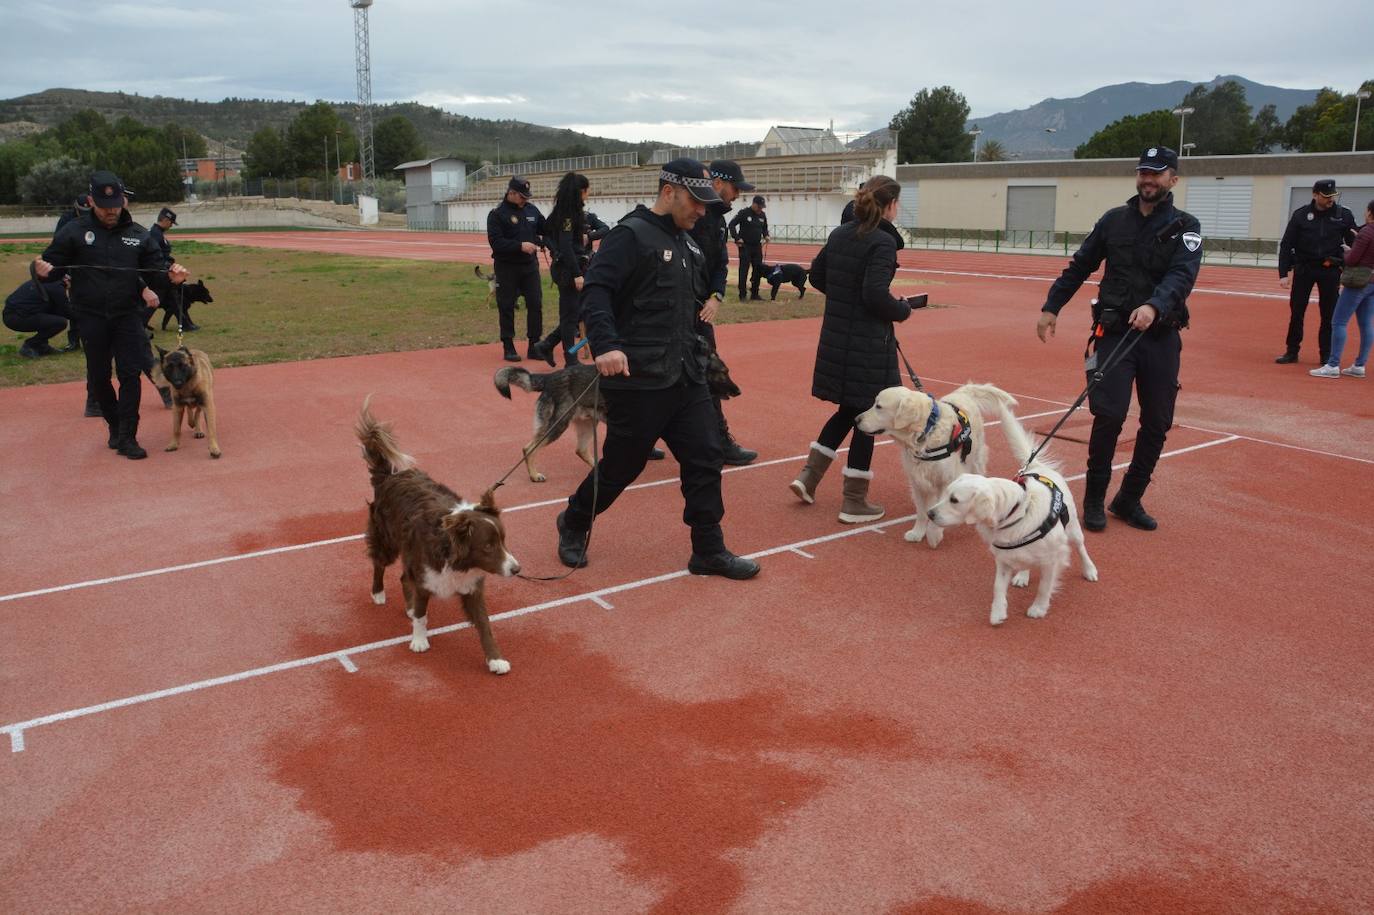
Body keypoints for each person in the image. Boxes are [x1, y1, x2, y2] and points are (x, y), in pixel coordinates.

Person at [554, 158, 759, 580]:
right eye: (695, 202)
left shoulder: (689, 243)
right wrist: (606, 345)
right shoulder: (630, 235)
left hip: (686, 375)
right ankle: (574, 520)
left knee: (705, 458)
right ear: (669, 192)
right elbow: (597, 292)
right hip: (639, 380)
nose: (702, 211)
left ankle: (708, 549)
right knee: (619, 469)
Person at [1035, 146, 1201, 532]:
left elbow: (1182, 276)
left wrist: (1155, 306)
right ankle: (1093, 499)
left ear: (1172, 179)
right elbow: (1080, 265)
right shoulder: (1114, 221)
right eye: (1143, 171)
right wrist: (1051, 306)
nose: (1148, 179)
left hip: (1159, 336)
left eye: (1157, 173)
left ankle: (1129, 499)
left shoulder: (1186, 227)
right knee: (1108, 415)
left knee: (1158, 421)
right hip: (1113, 334)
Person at [34, 170, 188, 459]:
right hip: (90, 316)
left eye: (116, 205)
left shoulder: (138, 235)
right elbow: (50, 265)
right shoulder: (73, 232)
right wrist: (41, 272)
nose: (111, 211)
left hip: (127, 315)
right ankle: (114, 426)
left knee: (130, 375)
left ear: (124, 202)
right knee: (99, 377)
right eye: (105, 206)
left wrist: (172, 278)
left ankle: (129, 436)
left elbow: (157, 273)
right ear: (91, 201)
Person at [788, 175, 914, 523]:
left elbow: (817, 277)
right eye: (898, 203)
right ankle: (853, 502)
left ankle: (808, 478)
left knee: (848, 410)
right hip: (868, 342)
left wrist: (845, 300)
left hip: (837, 336)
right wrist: (902, 309)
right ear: (890, 205)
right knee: (869, 417)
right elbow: (875, 294)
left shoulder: (840, 233)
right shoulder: (882, 243)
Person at [684, 158, 758, 466]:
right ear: (717, 184)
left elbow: (720, 264)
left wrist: (716, 296)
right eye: (735, 188)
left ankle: (717, 438)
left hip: (702, 309)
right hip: (681, 307)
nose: (738, 194)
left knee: (704, 372)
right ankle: (717, 441)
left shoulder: (718, 221)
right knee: (700, 373)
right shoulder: (693, 216)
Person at [1275, 179, 1358, 365]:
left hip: (1330, 269)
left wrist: (1348, 265)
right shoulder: (1301, 215)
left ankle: (1326, 355)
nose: (1330, 200)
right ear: (1315, 195)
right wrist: (1283, 273)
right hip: (1305, 268)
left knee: (1328, 314)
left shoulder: (1343, 215)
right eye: (1326, 196)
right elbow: (1287, 244)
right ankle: (1292, 350)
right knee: (1297, 311)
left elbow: (1355, 243)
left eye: (1332, 196)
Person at [486, 175, 553, 364]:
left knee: (535, 303)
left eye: (527, 197)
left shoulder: (532, 210)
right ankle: (508, 345)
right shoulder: (497, 214)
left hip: (530, 266)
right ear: (511, 193)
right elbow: (496, 243)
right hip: (507, 267)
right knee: (506, 305)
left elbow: (545, 228)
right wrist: (519, 246)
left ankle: (534, 345)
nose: (526, 200)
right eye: (522, 197)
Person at [1311, 199, 1374, 378]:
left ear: (1369, 212)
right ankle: (1360, 364)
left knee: (1338, 321)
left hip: (1358, 281)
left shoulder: (1366, 232)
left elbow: (1353, 259)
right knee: (1366, 324)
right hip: (1372, 282)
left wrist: (1347, 250)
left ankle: (1333, 364)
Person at [544, 172, 595, 365]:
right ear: (581, 191)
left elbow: (548, 232)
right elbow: (566, 244)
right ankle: (570, 359)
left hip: (570, 266)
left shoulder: (564, 211)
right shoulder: (567, 214)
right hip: (568, 270)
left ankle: (548, 345)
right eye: (587, 190)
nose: (588, 194)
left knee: (574, 314)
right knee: (569, 317)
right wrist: (576, 274)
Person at [150, 207, 195, 331]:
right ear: (165, 220)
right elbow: (154, 256)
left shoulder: (158, 233)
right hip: (161, 274)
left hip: (165, 272)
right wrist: (167, 265)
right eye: (171, 222)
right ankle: (140, 323)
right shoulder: (155, 234)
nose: (171, 226)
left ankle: (186, 324)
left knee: (172, 299)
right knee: (163, 299)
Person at [4, 275, 71, 358]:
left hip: (11, 314)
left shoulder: (45, 280)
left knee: (52, 314)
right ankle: (30, 345)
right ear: (67, 280)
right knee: (61, 322)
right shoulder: (57, 287)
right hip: (18, 318)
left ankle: (41, 346)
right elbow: (67, 312)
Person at [728, 194, 769, 300]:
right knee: (744, 270)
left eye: (762, 207)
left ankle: (755, 293)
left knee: (758, 270)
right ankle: (742, 294)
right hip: (745, 246)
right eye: (759, 207)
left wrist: (766, 235)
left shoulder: (762, 215)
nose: (760, 209)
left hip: (757, 246)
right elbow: (731, 224)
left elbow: (764, 228)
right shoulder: (744, 213)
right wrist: (737, 238)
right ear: (754, 204)